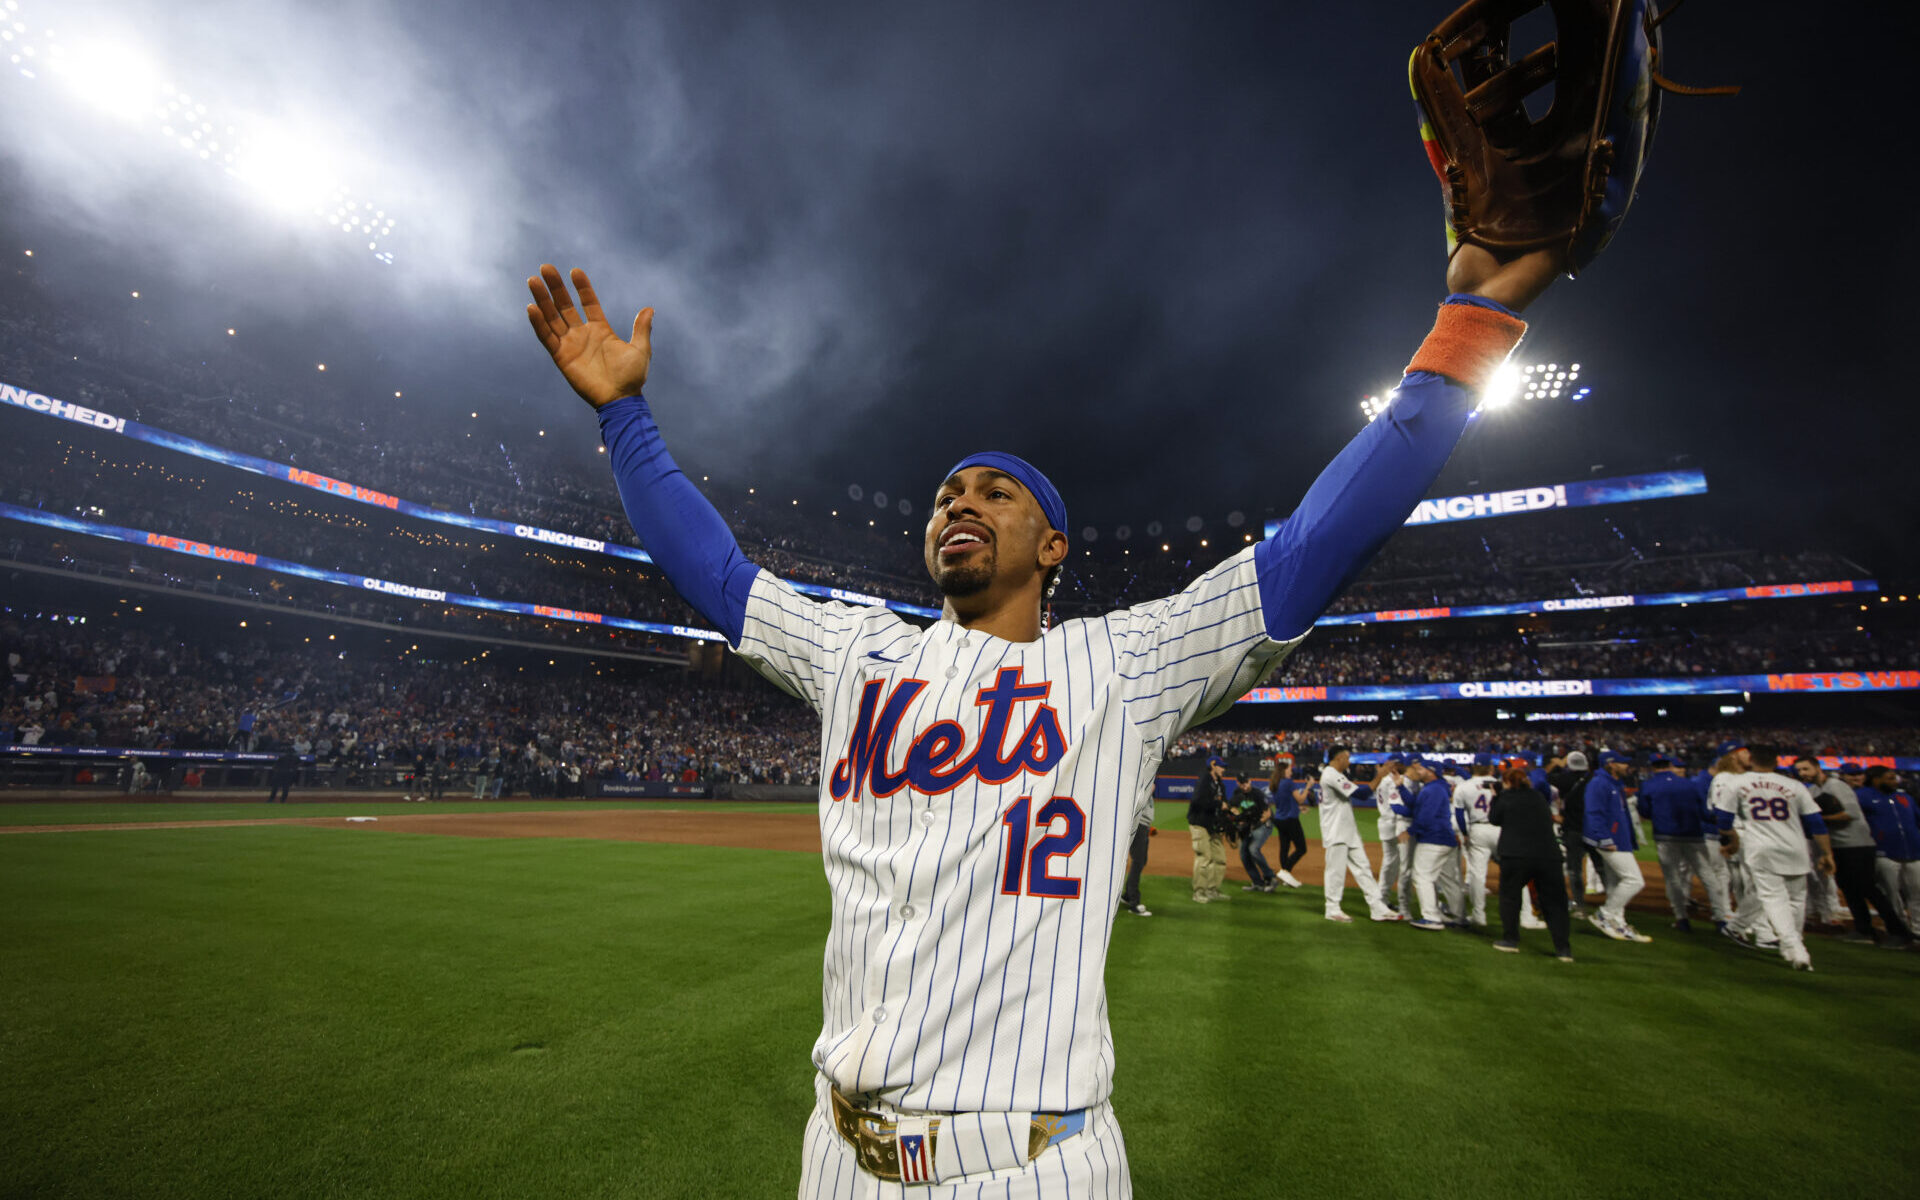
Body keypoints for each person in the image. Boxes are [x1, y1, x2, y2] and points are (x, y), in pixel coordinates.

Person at [524, 231, 1556, 1190]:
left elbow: (1311, 552)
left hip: (1029, 1164)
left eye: (994, 493)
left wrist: (1468, 329)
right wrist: (625, 417)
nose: (960, 504)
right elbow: (714, 571)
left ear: (1053, 546)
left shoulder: (1123, 665)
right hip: (835, 1156)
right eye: (946, 495)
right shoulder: (853, 652)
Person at [1713, 746, 1834, 971]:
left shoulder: (1736, 782)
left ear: (1751, 760)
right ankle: (1793, 946)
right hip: (1796, 848)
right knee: (1797, 900)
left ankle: (1795, 947)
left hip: (1761, 848)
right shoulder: (1794, 785)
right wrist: (1827, 853)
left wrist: (1732, 841)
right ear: (1776, 762)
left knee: (1773, 898)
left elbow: (1723, 819)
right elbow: (1816, 823)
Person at [1794, 756, 1911, 948]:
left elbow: (1851, 814)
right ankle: (1863, 929)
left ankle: (1898, 931)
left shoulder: (1837, 786)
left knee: (1868, 888)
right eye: (1799, 770)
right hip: (1838, 846)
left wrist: (1819, 819)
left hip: (1858, 845)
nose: (1802, 773)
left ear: (1817, 767)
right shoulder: (1814, 790)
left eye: (1806, 769)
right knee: (1849, 889)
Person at [1487, 763, 1574, 960]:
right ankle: (1563, 949)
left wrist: (1497, 796)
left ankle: (1510, 940)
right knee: (1555, 903)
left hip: (1516, 855)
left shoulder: (1506, 797)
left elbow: (1494, 819)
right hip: (1548, 856)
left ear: (1507, 782)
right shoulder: (1538, 797)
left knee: (1510, 897)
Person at [1637, 754, 1727, 932]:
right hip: (1694, 836)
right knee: (1708, 876)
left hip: (1666, 837)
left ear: (1652, 767)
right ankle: (1720, 919)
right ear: (1670, 765)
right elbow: (1704, 813)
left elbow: (1645, 813)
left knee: (1673, 879)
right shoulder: (1689, 784)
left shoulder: (1648, 785)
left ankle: (1681, 918)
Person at [1319, 747, 1402, 924]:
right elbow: (1362, 795)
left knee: (1363, 868)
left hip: (1348, 830)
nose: (1349, 761)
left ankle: (1378, 908)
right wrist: (1380, 775)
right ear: (1339, 758)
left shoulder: (1336, 774)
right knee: (1336, 871)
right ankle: (1332, 908)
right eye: (1347, 757)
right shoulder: (1331, 774)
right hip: (1335, 830)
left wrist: (1380, 776)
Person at [1582, 752, 1650, 943]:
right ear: (1611, 764)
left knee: (1614, 884)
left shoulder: (1613, 783)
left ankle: (1618, 923)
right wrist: (1604, 837)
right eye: (1622, 763)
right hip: (1609, 840)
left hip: (1619, 838)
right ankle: (1605, 914)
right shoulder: (1599, 783)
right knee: (1634, 880)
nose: (1627, 766)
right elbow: (1593, 813)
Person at [1395, 759, 1466, 931]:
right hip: (1445, 839)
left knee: (1422, 876)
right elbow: (1416, 806)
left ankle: (1431, 917)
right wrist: (1401, 787)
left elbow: (1425, 817)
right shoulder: (1436, 787)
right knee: (1449, 880)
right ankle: (1459, 917)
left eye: (1421, 768)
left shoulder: (1433, 789)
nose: (1417, 770)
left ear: (1431, 772)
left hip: (1434, 839)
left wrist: (1410, 831)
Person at [1857, 766, 1920, 934]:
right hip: (1884, 852)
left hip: (1913, 852)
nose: (1894, 781)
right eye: (1889, 778)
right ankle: (1899, 929)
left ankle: (1918, 929)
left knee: (1917, 893)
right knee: (1891, 894)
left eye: (1894, 778)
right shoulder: (1862, 796)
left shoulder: (1904, 797)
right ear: (1876, 779)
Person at [1452, 753, 1500, 927]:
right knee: (1516, 871)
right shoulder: (1501, 784)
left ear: (1473, 767)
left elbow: (1458, 813)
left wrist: (1464, 833)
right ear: (1490, 767)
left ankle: (1479, 916)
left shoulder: (1464, 786)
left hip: (1477, 828)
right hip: (1501, 829)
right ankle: (1525, 914)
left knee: (1477, 875)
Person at [1189, 757, 1231, 904]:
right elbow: (1197, 801)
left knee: (1220, 859)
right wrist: (1219, 804)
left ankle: (1212, 890)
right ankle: (1199, 892)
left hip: (1213, 826)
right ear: (1213, 765)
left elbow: (1224, 803)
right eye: (1221, 766)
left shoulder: (1220, 784)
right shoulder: (1204, 780)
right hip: (1200, 824)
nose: (1223, 769)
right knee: (1204, 858)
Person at [1231, 774, 1277, 892]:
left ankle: (1270, 878)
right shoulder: (1237, 793)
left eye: (1246, 782)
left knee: (1253, 849)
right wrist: (1238, 817)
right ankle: (1257, 883)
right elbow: (1233, 807)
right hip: (1251, 824)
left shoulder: (1257, 794)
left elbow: (1267, 814)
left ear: (1250, 781)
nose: (1245, 786)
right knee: (1244, 854)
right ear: (1238, 783)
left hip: (1264, 824)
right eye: (1242, 783)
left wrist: (1254, 826)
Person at [1267, 767, 1308, 889]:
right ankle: (1285, 872)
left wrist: (1298, 808)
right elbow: (1300, 799)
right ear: (1283, 771)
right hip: (1291, 820)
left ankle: (1286, 877)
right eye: (1289, 769)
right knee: (1301, 848)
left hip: (1279, 820)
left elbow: (1284, 802)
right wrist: (1308, 787)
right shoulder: (1289, 783)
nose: (1291, 771)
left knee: (1284, 848)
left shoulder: (1275, 783)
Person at [1118, 804, 1155, 918]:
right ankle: (1134, 903)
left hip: (1143, 824)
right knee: (1138, 861)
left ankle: (1128, 896)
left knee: (1141, 860)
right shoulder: (1142, 786)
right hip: (1139, 824)